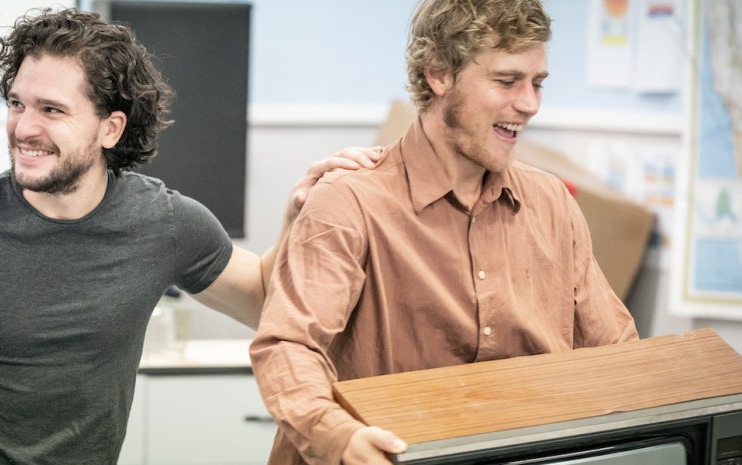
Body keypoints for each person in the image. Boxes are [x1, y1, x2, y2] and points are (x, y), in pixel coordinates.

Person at [0, 8, 383, 465]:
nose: (24, 127)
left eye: (51, 109)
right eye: (16, 103)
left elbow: (268, 306)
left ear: (110, 127)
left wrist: (297, 214)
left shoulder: (163, 223)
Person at [249, 1, 640, 464]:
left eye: (537, 83)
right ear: (438, 74)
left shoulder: (552, 203)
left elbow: (617, 353)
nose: (530, 104)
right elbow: (288, 346)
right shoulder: (349, 201)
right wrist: (339, 437)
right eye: (506, 80)